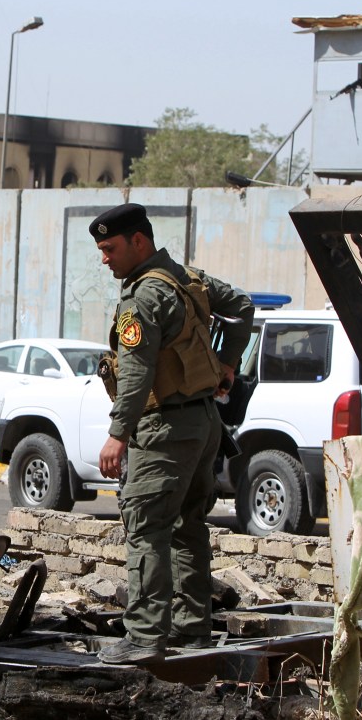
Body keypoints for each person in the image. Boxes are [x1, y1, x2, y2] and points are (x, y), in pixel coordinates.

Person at [90, 203, 254, 665]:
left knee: (146, 528)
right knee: (187, 527)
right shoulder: (186, 278)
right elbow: (242, 305)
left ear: (138, 241)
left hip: (163, 430)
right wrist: (228, 363)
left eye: (110, 248)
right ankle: (191, 629)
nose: (104, 259)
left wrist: (117, 434)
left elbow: (136, 373)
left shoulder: (142, 297)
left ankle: (144, 637)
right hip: (204, 423)